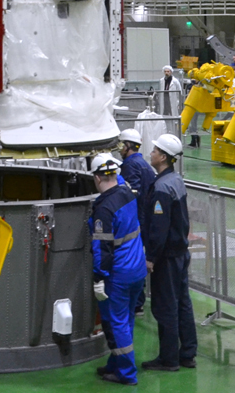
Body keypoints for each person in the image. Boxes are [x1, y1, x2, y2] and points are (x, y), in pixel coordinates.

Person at [142, 133, 196, 371]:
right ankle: (187, 354)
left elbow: (159, 228)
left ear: (163, 157)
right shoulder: (176, 179)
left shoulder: (162, 187)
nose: (151, 153)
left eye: (155, 151)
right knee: (183, 304)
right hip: (180, 253)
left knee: (165, 307)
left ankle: (168, 359)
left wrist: (151, 257)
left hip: (167, 257)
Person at [90, 154, 143, 385]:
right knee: (126, 319)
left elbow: (102, 249)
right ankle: (115, 363)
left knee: (116, 322)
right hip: (137, 268)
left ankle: (127, 373)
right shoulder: (127, 193)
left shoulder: (104, 209)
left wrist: (98, 277)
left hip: (119, 273)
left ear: (97, 178)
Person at [116, 129, 154, 315]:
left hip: (138, 221)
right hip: (145, 220)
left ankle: (136, 303)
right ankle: (138, 302)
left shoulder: (130, 166)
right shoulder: (142, 164)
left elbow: (131, 195)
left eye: (121, 145)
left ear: (128, 146)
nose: (119, 149)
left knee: (134, 259)